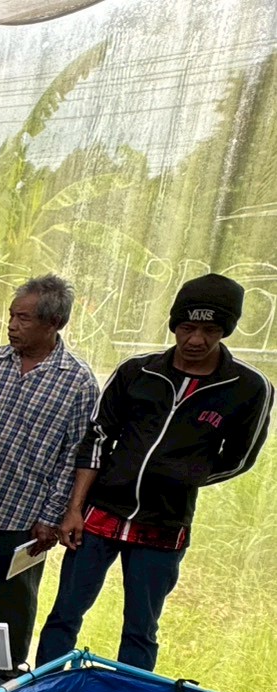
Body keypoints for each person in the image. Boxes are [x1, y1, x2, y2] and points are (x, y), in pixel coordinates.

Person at [36, 274, 272, 670]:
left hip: (165, 524)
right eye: (187, 327)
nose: (196, 339)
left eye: (210, 329)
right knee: (65, 613)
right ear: (174, 324)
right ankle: (41, 690)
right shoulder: (137, 372)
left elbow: (239, 457)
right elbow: (96, 437)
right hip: (100, 515)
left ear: (225, 330)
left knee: (141, 627)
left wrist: (182, 476)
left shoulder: (248, 388)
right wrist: (74, 508)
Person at [0, 276, 98, 667]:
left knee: (11, 612)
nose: (12, 325)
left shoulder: (77, 381)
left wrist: (50, 517)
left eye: (22, 318)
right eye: (11, 315)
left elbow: (74, 455)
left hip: (23, 520)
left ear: (52, 323)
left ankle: (5, 683)